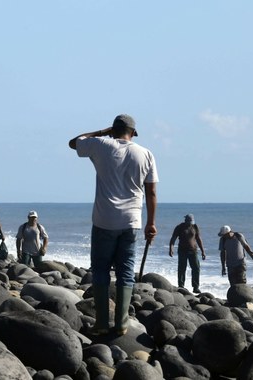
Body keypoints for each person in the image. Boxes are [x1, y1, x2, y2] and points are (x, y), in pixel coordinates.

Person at [69, 114, 158, 336]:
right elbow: (152, 191)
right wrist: (151, 223)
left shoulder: (101, 145)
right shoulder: (145, 154)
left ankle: (101, 322)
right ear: (133, 133)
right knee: (126, 271)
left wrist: (100, 132)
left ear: (113, 130)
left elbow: (74, 142)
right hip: (131, 221)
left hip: (103, 219)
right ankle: (121, 323)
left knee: (100, 270)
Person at [169, 214, 206, 293]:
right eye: (189, 222)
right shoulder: (179, 227)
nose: (190, 223)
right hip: (182, 250)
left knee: (196, 268)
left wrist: (203, 251)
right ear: (185, 220)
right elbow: (173, 238)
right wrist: (171, 249)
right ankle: (181, 286)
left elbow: (199, 239)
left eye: (191, 222)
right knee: (182, 268)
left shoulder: (195, 227)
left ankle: (195, 287)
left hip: (193, 251)